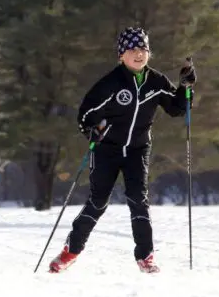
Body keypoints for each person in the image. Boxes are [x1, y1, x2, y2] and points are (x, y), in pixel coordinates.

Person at [48, 27, 196, 274]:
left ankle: (146, 256)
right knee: (98, 202)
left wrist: (185, 87)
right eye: (133, 50)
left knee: (139, 199)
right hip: (107, 150)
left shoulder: (156, 82)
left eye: (143, 50)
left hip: (138, 150)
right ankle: (70, 252)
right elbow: (86, 113)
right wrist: (90, 130)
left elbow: (178, 108)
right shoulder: (110, 83)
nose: (139, 54)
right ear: (121, 55)